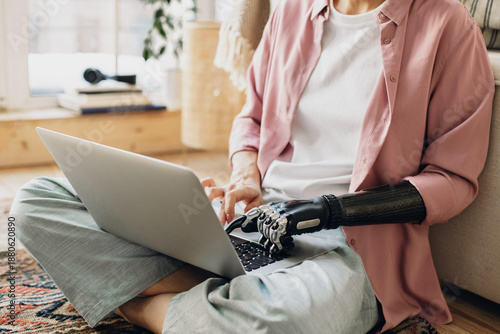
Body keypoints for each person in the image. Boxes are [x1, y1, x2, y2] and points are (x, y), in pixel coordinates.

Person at [10, 0, 494, 332]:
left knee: (282, 323)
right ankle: (215, 286)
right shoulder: (291, 12)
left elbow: (451, 181)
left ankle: (135, 300)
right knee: (35, 202)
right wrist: (245, 177)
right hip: (250, 225)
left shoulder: (448, 27)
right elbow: (252, 118)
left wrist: (326, 210)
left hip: (347, 246)